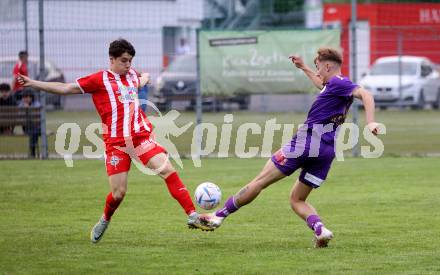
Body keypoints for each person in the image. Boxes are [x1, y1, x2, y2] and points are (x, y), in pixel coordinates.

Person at [16, 38, 211, 243]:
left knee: (168, 171)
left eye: (130, 61)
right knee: (118, 193)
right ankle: (105, 218)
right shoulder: (99, 80)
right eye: (124, 61)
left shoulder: (132, 76)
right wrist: (33, 83)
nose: (128, 65)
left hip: (140, 138)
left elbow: (140, 80)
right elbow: (65, 88)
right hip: (116, 145)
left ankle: (192, 215)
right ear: (112, 59)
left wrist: (145, 76)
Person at [199, 47, 379, 248]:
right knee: (297, 199)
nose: (317, 72)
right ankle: (320, 230)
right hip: (325, 152)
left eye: (318, 67)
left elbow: (366, 94)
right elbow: (322, 83)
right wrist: (304, 68)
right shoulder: (334, 87)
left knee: (259, 181)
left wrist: (371, 122)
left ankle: (218, 216)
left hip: (305, 142)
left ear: (328, 66)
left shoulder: (340, 82)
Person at [18, 89, 41, 158]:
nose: (25, 99)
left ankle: (32, 152)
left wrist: (28, 109)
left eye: (27, 97)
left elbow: (37, 118)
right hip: (26, 127)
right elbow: (19, 118)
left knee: (34, 132)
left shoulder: (37, 104)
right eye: (24, 97)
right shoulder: (21, 105)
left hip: (36, 127)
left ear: (31, 97)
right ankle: (32, 152)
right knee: (34, 133)